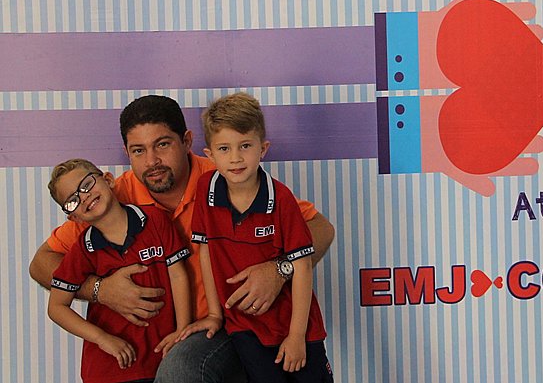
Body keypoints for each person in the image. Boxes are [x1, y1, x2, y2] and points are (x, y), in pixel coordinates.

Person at [29, 95, 335, 382]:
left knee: (180, 367)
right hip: (158, 335)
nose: (152, 161)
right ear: (127, 153)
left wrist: (278, 269)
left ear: (187, 141)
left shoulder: (224, 176)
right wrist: (101, 290)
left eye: (162, 144)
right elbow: (42, 263)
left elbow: (320, 228)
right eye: (138, 151)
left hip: (226, 321)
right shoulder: (109, 198)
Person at [180, 92, 333, 382]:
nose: (235, 158)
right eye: (224, 148)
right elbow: (206, 250)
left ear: (263, 149)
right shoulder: (205, 189)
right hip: (245, 327)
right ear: (210, 155)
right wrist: (215, 314)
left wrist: (296, 336)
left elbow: (301, 265)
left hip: (294, 326)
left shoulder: (282, 199)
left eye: (245, 146)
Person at [47, 158, 192, 383]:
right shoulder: (84, 249)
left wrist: (182, 331)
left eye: (86, 185)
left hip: (161, 357)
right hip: (109, 368)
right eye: (73, 200)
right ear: (73, 217)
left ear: (108, 180)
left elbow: (178, 275)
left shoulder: (155, 220)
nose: (84, 197)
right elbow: (56, 307)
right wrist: (101, 338)